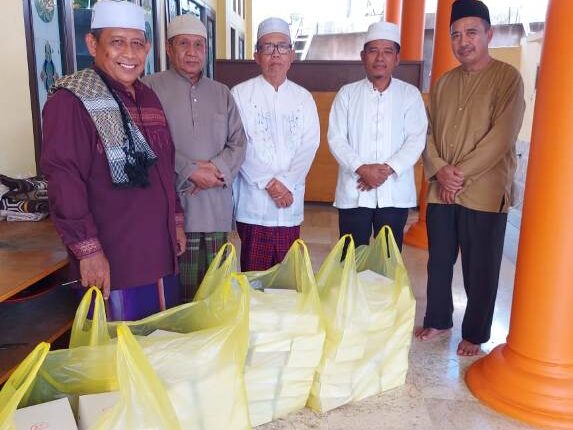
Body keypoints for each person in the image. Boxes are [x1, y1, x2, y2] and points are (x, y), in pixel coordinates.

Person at [41, 0, 186, 321]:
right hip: (114, 255)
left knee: (161, 338)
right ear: (92, 44)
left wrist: (175, 221)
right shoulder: (71, 101)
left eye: (137, 43)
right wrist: (88, 251)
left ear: (147, 48)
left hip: (159, 248)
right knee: (119, 341)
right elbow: (64, 179)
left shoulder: (148, 96)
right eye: (117, 42)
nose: (129, 54)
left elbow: (165, 166)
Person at [415, 0, 525, 355]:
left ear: (489, 34)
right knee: (439, 261)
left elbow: (501, 137)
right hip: (441, 190)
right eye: (456, 35)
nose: (463, 41)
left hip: (484, 192)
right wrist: (439, 170)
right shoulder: (444, 83)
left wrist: (457, 175)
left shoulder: (508, 79)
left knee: (481, 267)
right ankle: (439, 319)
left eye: (472, 33)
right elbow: (426, 133)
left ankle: (475, 334)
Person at [143, 15, 246, 302]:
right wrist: (190, 170)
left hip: (216, 209)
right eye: (184, 44)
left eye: (199, 45)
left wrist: (215, 170)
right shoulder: (148, 89)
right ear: (169, 48)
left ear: (206, 49)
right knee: (180, 295)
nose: (192, 52)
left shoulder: (222, 93)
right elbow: (147, 142)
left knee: (216, 293)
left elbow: (239, 142)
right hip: (174, 211)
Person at [328, 21, 427, 250]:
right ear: (363, 57)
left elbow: (416, 139)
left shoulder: (410, 95)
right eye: (373, 51)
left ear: (397, 58)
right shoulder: (347, 94)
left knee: (388, 260)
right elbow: (336, 138)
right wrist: (362, 169)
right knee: (350, 258)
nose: (380, 58)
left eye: (387, 52)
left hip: (394, 193)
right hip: (355, 191)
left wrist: (386, 170)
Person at [231, 17, 320, 272]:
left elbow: (309, 145)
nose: (276, 54)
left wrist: (286, 184)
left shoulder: (303, 98)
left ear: (292, 55)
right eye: (268, 47)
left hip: (289, 201)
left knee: (286, 278)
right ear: (256, 56)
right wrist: (271, 184)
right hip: (254, 203)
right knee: (254, 278)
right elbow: (238, 143)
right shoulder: (239, 94)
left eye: (282, 47)